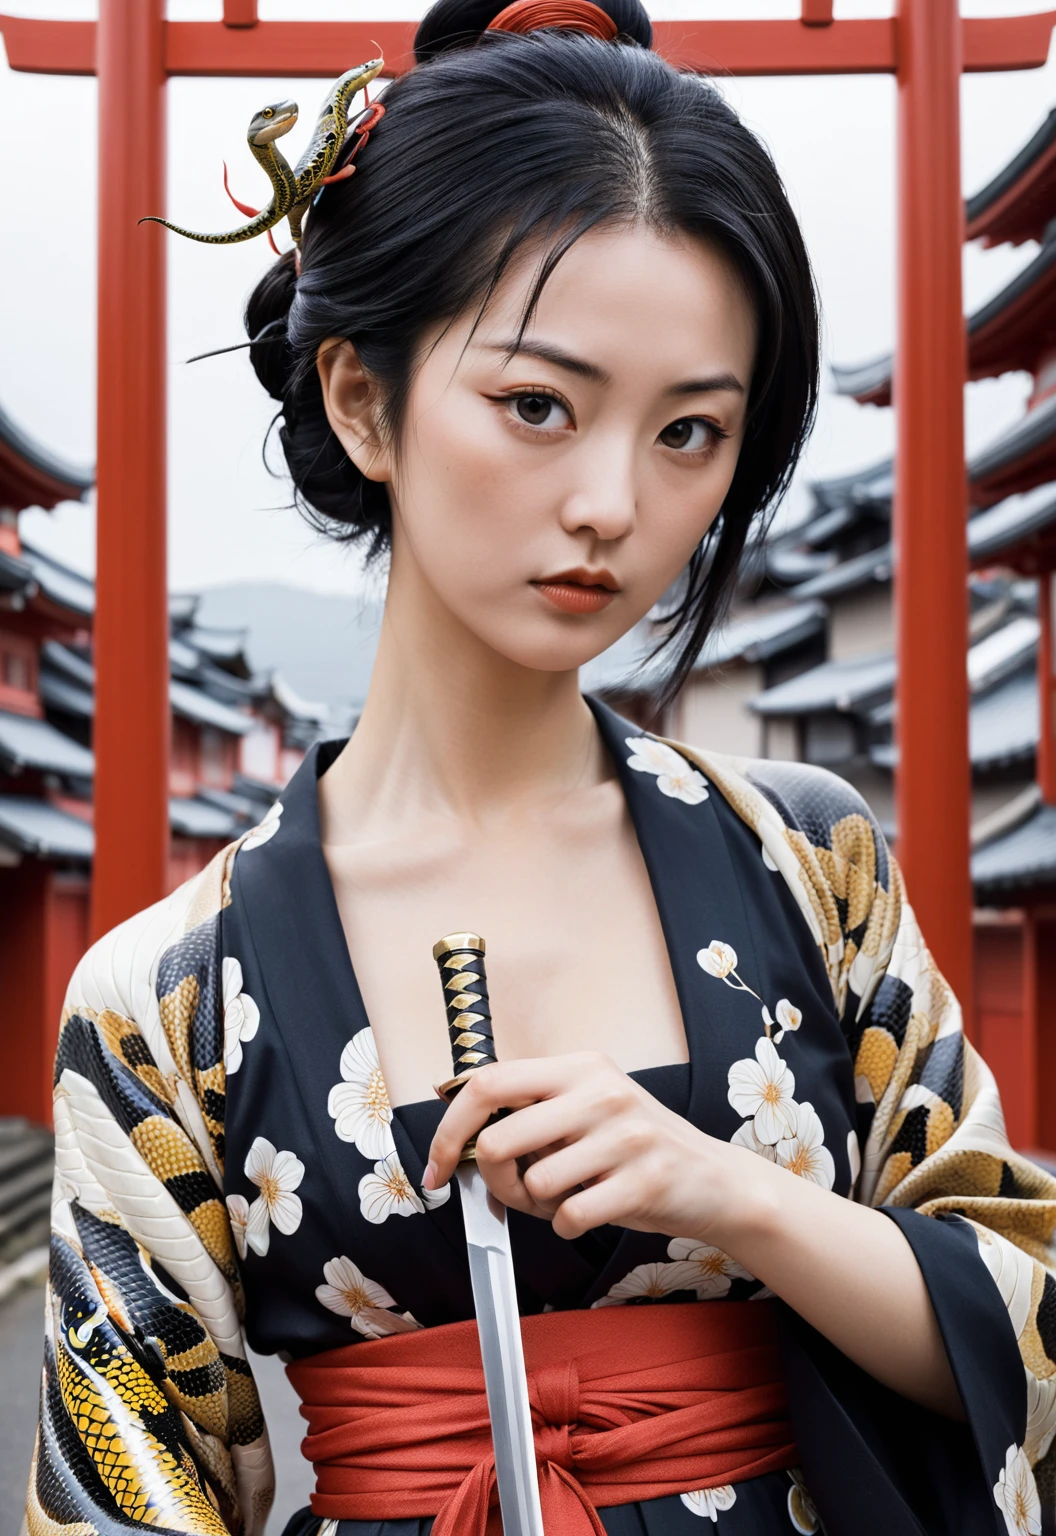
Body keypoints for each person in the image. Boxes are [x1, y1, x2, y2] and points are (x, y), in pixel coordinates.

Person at [25, 2, 1056, 1532]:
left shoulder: (812, 862)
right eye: (536, 405)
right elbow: (124, 1491)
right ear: (361, 397)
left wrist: (733, 1196)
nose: (609, 503)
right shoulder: (164, 993)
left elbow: (1025, 1326)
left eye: (689, 433)